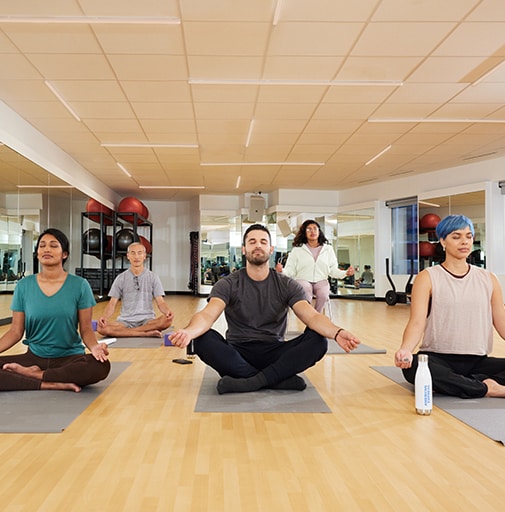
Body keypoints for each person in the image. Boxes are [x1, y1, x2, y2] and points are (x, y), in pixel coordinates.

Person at [169, 224, 361, 394]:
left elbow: (311, 316)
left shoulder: (286, 284)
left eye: (263, 241)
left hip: (275, 351)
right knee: (202, 338)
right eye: (252, 242)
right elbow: (207, 315)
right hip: (237, 352)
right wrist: (189, 332)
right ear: (244, 249)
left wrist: (337, 332)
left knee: (318, 340)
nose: (258, 245)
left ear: (271, 249)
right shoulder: (228, 284)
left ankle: (250, 381)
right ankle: (275, 379)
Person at [395, 214, 505, 398]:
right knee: (415, 366)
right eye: (456, 236)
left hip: (478, 360)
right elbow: (416, 322)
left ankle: (462, 384)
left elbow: (502, 323)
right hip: (438, 358)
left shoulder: (489, 279)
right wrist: (405, 349)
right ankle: (487, 388)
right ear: (442, 241)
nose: (464, 242)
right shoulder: (427, 277)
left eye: (468, 236)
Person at [0, 228, 110, 392]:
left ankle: (37, 376)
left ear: (64, 254)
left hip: (69, 358)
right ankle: (47, 382)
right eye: (42, 246)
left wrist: (94, 347)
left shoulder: (79, 285)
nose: (46, 249)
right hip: (33, 357)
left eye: (53, 245)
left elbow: (86, 329)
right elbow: (15, 331)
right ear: (37, 253)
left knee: (101, 366)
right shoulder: (24, 286)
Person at [275, 219, 354, 312]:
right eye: (309, 229)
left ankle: (316, 317)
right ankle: (308, 318)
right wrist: (281, 271)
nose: (312, 231)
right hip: (303, 279)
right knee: (306, 293)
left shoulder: (328, 249)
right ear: (304, 233)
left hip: (321, 280)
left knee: (323, 295)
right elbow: (291, 270)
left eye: (315, 229)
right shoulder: (297, 250)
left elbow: (333, 270)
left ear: (319, 231)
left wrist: (346, 273)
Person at [97, 242, 174, 338]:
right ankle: (144, 333)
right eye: (133, 253)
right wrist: (104, 317)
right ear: (128, 256)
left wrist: (167, 312)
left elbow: (161, 302)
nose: (136, 256)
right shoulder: (121, 278)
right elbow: (112, 303)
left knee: (166, 321)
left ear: (144, 256)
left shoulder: (153, 277)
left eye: (139, 253)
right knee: (101, 328)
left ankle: (129, 332)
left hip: (147, 320)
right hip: (125, 320)